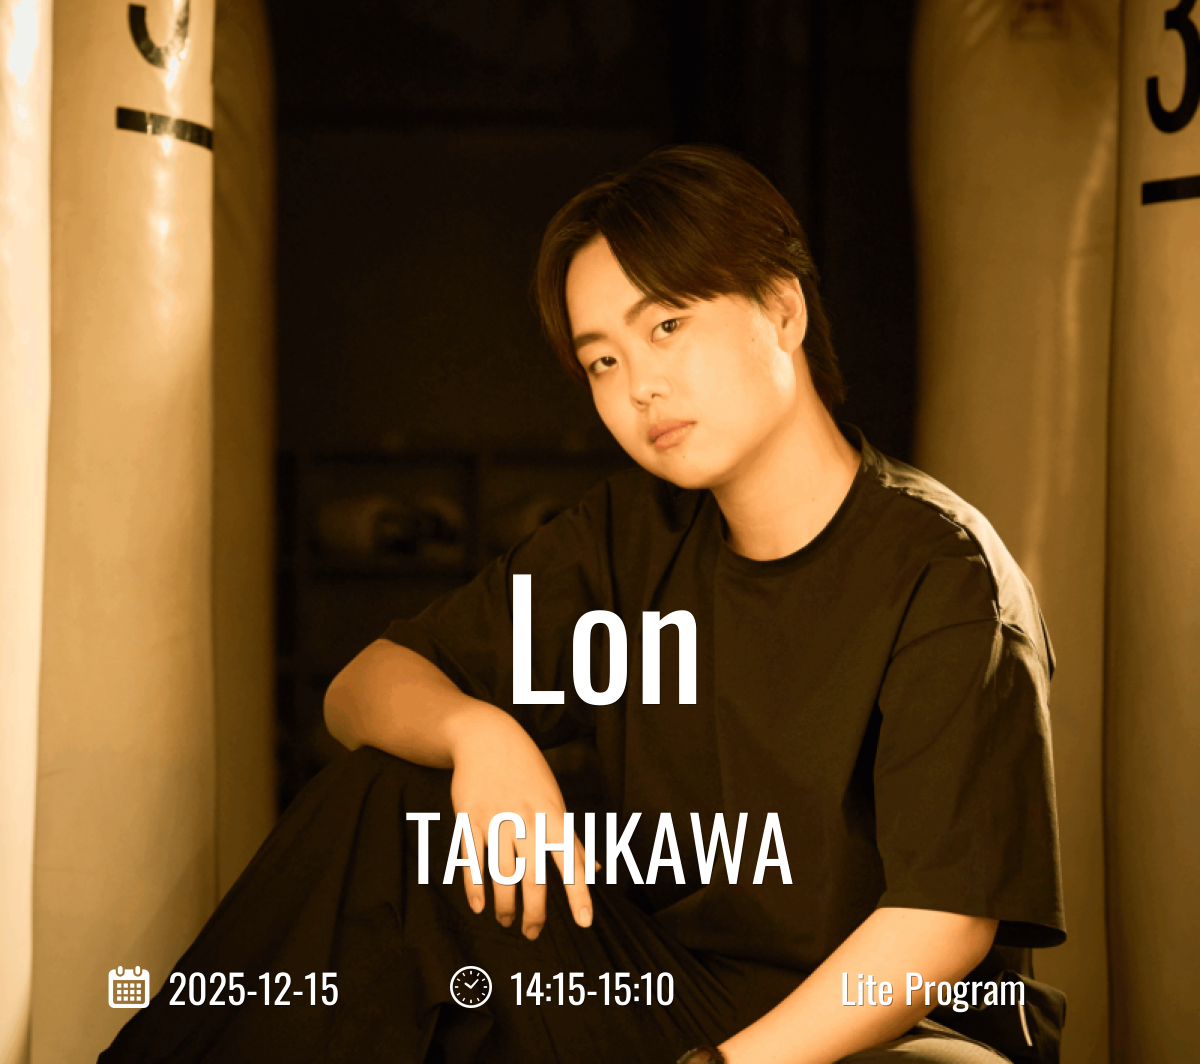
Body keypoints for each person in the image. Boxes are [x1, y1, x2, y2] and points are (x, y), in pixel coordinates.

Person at [99, 145, 1066, 1064]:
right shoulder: (629, 537)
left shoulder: (942, 572)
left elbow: (944, 922)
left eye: (666, 326)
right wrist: (479, 733)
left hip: (884, 1031)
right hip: (668, 996)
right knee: (395, 801)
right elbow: (360, 689)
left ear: (783, 309)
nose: (640, 386)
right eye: (602, 361)